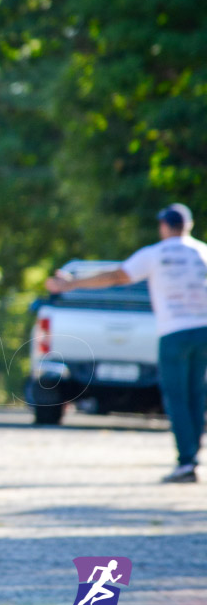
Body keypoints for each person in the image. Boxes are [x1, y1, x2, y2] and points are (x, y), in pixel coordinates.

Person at [46, 203, 207, 483]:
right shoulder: (203, 252)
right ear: (189, 226)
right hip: (203, 331)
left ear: (164, 226)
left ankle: (187, 461)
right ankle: (195, 453)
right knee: (197, 393)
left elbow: (116, 276)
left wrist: (72, 284)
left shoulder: (155, 254)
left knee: (177, 396)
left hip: (174, 332)